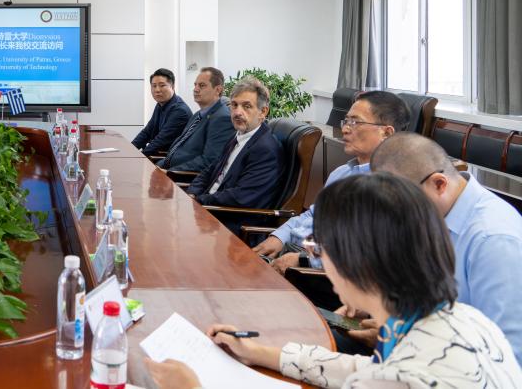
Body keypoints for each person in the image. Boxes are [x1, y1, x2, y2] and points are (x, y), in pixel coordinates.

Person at [144, 173, 522, 388]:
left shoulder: (405, 375)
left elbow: (381, 378)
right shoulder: (461, 319)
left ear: (356, 261)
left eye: (318, 247)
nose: (318, 256)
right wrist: (259, 353)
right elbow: (366, 371)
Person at [369, 132, 522, 363]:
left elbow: (507, 354)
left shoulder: (493, 240)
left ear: (439, 184)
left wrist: (402, 341)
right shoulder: (436, 213)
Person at [254, 90, 411, 274]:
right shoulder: (342, 172)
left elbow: (360, 252)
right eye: (346, 121)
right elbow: (312, 214)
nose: (345, 129)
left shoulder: (391, 188)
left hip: (318, 274)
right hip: (292, 253)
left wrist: (303, 259)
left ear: (386, 132)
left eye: (355, 122)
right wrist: (280, 236)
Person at [186, 77, 281, 220]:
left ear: (263, 112)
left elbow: (240, 197)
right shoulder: (238, 135)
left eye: (246, 106)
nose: (237, 112)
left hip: (229, 221)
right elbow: (211, 170)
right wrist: (192, 193)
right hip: (208, 209)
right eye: (234, 105)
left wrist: (199, 201)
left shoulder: (266, 149)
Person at [158, 67, 234, 174]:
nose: (196, 89)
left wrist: (169, 172)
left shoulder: (222, 118)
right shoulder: (197, 115)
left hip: (183, 178)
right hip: (169, 169)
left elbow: (209, 161)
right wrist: (158, 166)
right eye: (195, 85)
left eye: (202, 85)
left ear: (218, 90)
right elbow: (178, 150)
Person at [131, 68, 191, 156]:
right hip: (158, 154)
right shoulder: (161, 104)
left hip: (169, 159)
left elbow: (160, 141)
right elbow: (147, 132)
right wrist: (130, 149)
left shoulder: (180, 111)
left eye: (162, 85)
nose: (157, 90)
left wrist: (140, 157)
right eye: (154, 86)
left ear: (172, 86)